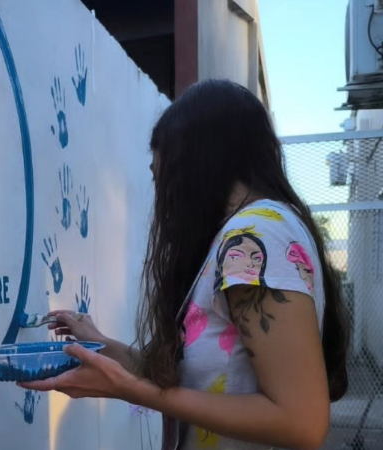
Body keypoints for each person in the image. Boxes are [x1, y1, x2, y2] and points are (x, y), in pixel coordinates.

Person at [19, 79, 349, 450]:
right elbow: (200, 381)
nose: (163, 201)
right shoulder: (249, 233)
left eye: (164, 182)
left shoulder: (253, 238)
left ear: (196, 166)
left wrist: (133, 391)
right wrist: (101, 345)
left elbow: (301, 422)